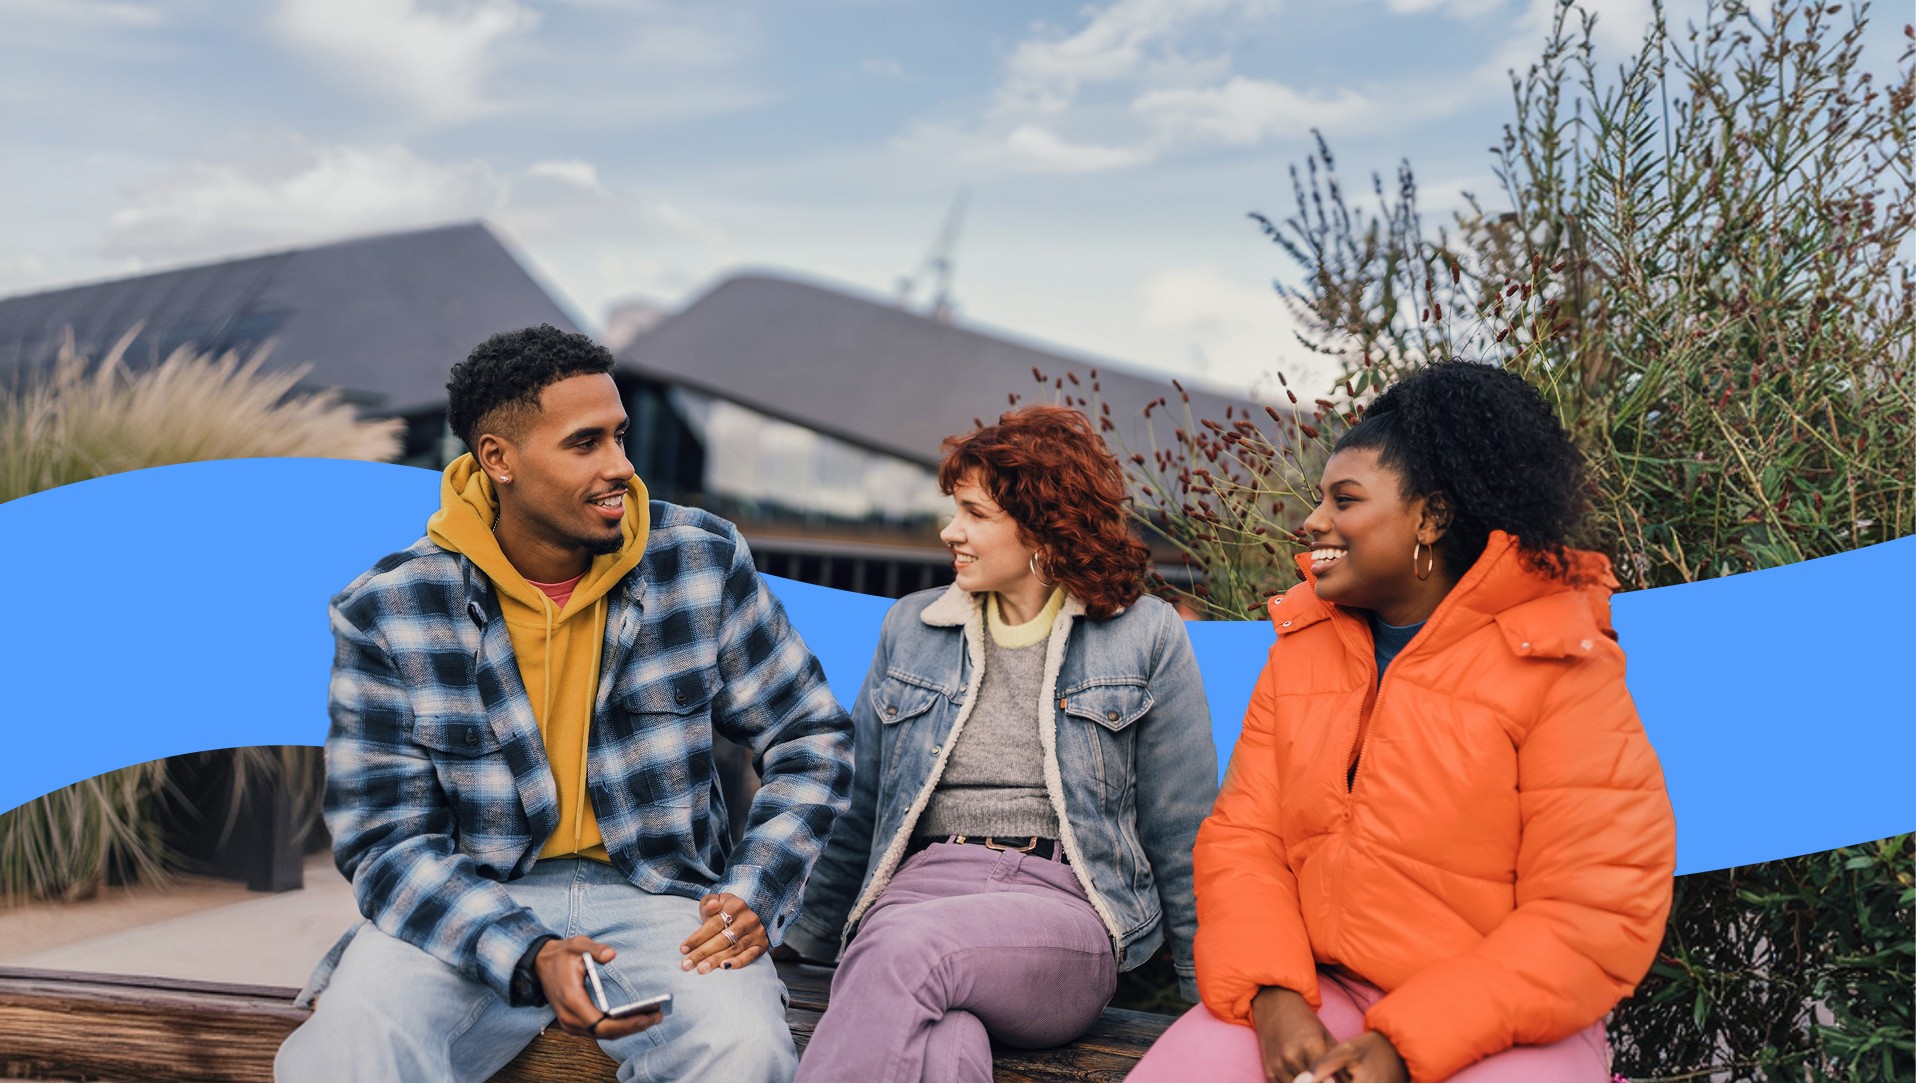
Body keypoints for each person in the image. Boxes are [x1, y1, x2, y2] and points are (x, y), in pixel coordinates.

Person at [275, 325, 853, 1082]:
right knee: (350, 1047)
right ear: (499, 459)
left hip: (660, 895)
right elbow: (386, 842)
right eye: (585, 444)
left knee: (745, 1051)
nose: (621, 466)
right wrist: (527, 952)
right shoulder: (389, 608)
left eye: (619, 436)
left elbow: (810, 734)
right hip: (473, 895)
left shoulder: (700, 560)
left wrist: (756, 887)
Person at [1129, 361, 1676, 1083]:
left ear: (1431, 518)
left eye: (1345, 499)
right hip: (1319, 991)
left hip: (1504, 1024)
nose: (1313, 521)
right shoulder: (1301, 650)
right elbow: (1245, 841)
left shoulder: (1559, 664)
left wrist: (1405, 1043)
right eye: (1319, 499)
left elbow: (1594, 909)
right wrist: (1272, 997)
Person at [786, 404, 1219, 1082]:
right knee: (944, 1041)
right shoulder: (912, 628)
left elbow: (1181, 828)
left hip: (1059, 911)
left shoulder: (1144, 635)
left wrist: (1208, 994)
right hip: (916, 894)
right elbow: (861, 805)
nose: (949, 531)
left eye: (974, 513)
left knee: (907, 950)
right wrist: (799, 940)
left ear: (1044, 526)